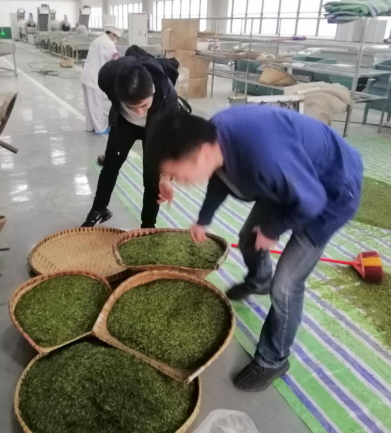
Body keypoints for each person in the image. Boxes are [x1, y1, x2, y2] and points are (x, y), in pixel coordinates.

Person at [152, 106, 363, 391]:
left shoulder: (265, 159)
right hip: (294, 178)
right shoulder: (214, 139)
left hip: (331, 191)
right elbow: (220, 177)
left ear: (200, 155)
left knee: (286, 286)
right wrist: (203, 220)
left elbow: (313, 201)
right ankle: (260, 280)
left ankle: (273, 359)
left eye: (179, 175)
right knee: (248, 239)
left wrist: (272, 230)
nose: (181, 182)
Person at [81, 46, 181, 228]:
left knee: (152, 177)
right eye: (132, 107)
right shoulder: (107, 77)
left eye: (144, 105)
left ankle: (148, 225)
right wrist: (122, 110)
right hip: (124, 124)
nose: (139, 112)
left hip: (155, 128)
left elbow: (171, 143)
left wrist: (166, 176)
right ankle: (98, 209)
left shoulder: (168, 100)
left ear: (152, 90)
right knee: (111, 164)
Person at [80, 26, 122, 136]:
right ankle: (100, 128)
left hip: (86, 75)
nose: (116, 40)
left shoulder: (98, 40)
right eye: (116, 38)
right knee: (96, 104)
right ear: (113, 35)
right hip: (94, 78)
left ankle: (90, 127)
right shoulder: (108, 43)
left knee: (89, 104)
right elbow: (115, 59)